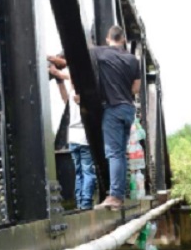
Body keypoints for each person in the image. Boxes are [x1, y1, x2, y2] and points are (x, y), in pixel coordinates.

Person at [91, 25, 141, 211]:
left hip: (113, 109)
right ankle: (118, 193)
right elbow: (136, 89)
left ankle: (115, 196)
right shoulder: (132, 59)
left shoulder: (101, 53)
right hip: (128, 109)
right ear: (123, 39)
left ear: (107, 38)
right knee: (120, 154)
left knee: (114, 153)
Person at [49, 60, 97, 210]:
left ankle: (79, 202)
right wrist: (59, 74)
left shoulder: (71, 96)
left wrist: (56, 74)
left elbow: (65, 90)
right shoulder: (85, 96)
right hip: (84, 138)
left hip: (72, 139)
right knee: (88, 171)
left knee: (78, 173)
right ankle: (86, 203)